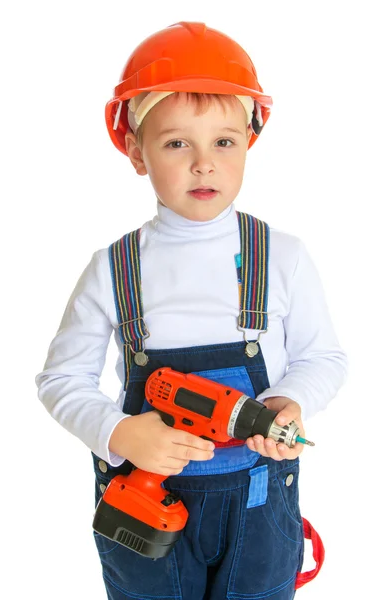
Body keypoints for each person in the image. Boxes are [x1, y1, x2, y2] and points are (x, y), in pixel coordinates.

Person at [36, 21, 348, 600]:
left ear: (249, 142)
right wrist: (121, 434)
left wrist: (292, 401)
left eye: (223, 142)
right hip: (145, 510)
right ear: (135, 150)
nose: (203, 163)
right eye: (177, 142)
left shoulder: (282, 257)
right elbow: (60, 379)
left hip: (258, 507)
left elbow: (323, 356)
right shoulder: (113, 268)